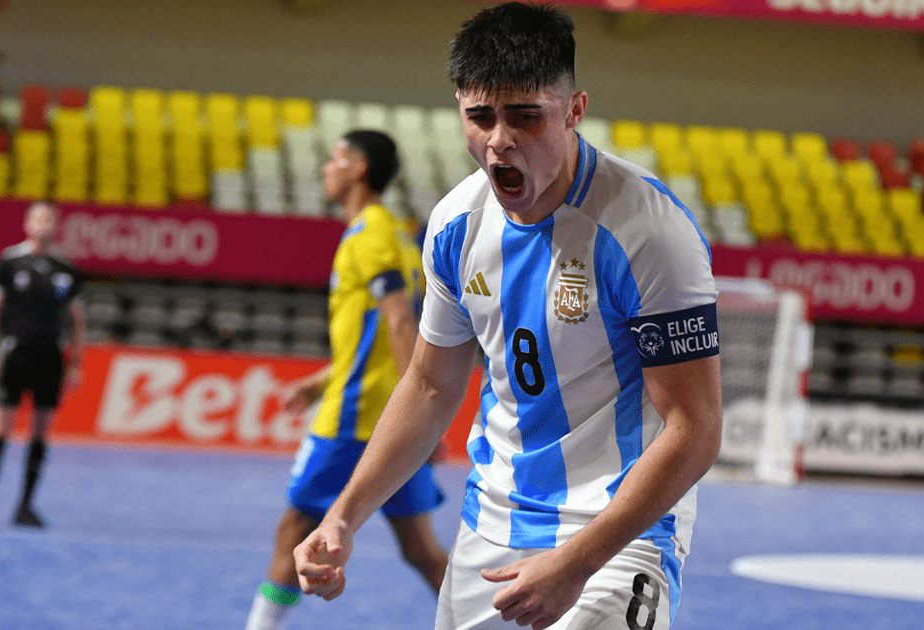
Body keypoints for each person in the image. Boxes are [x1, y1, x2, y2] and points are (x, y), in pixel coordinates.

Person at [293, 4, 724, 630]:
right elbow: (431, 384)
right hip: (490, 529)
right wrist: (342, 516)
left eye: (526, 116)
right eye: (480, 117)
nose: (500, 140)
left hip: (617, 532)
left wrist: (577, 562)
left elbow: (696, 426)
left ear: (574, 109)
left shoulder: (648, 232)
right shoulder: (453, 226)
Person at [245, 130, 449, 630]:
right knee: (421, 549)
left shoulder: (371, 234)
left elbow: (402, 323)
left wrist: (423, 413)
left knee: (294, 528)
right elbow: (375, 338)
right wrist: (319, 381)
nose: (325, 168)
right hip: (387, 416)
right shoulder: (392, 233)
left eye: (335, 158)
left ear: (358, 169)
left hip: (357, 419)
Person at [0, 201, 85, 528]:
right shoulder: (9, 262)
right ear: (27, 223)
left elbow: (77, 322)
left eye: (49, 218)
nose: (43, 223)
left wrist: (76, 364)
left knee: (41, 430)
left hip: (50, 357)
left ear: (57, 225)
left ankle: (25, 506)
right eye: (37, 218)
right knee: (1, 426)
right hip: (15, 353)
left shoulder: (67, 269)